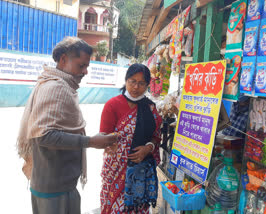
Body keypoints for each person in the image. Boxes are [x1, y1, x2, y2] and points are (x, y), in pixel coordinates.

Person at [17, 37, 118, 214]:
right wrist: (91, 141)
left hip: (54, 184)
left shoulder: (55, 84)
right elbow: (44, 136)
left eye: (87, 66)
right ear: (63, 60)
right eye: (81, 65)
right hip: (54, 188)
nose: (85, 71)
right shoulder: (56, 88)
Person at [100, 64, 162, 214]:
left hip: (141, 170)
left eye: (141, 83)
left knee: (138, 208)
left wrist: (148, 148)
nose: (136, 87)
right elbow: (103, 138)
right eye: (132, 81)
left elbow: (156, 137)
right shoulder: (112, 105)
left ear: (148, 85)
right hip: (116, 170)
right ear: (125, 80)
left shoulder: (151, 108)